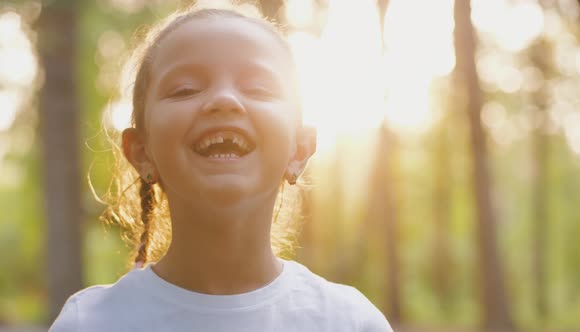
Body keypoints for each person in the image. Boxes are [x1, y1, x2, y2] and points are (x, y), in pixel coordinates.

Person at [50, 3, 393, 331]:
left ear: (299, 149)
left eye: (258, 88)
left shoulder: (350, 322)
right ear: (141, 152)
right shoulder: (90, 323)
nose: (224, 100)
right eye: (185, 89)